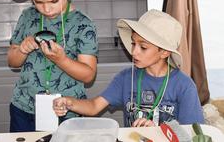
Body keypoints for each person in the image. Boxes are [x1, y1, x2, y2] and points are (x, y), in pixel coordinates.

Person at [53, 9, 204, 127]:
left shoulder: (184, 85)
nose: (134, 52)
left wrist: (160, 132)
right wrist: (69, 102)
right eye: (133, 43)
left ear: (164, 52)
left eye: (143, 47)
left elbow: (192, 133)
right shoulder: (125, 78)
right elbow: (94, 106)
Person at [7, 0, 98, 132]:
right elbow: (12, 62)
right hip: (23, 107)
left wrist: (61, 60)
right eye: (38, 2)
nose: (47, 9)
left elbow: (88, 75)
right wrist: (22, 50)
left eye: (54, 1)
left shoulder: (84, 24)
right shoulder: (27, 16)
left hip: (67, 110)